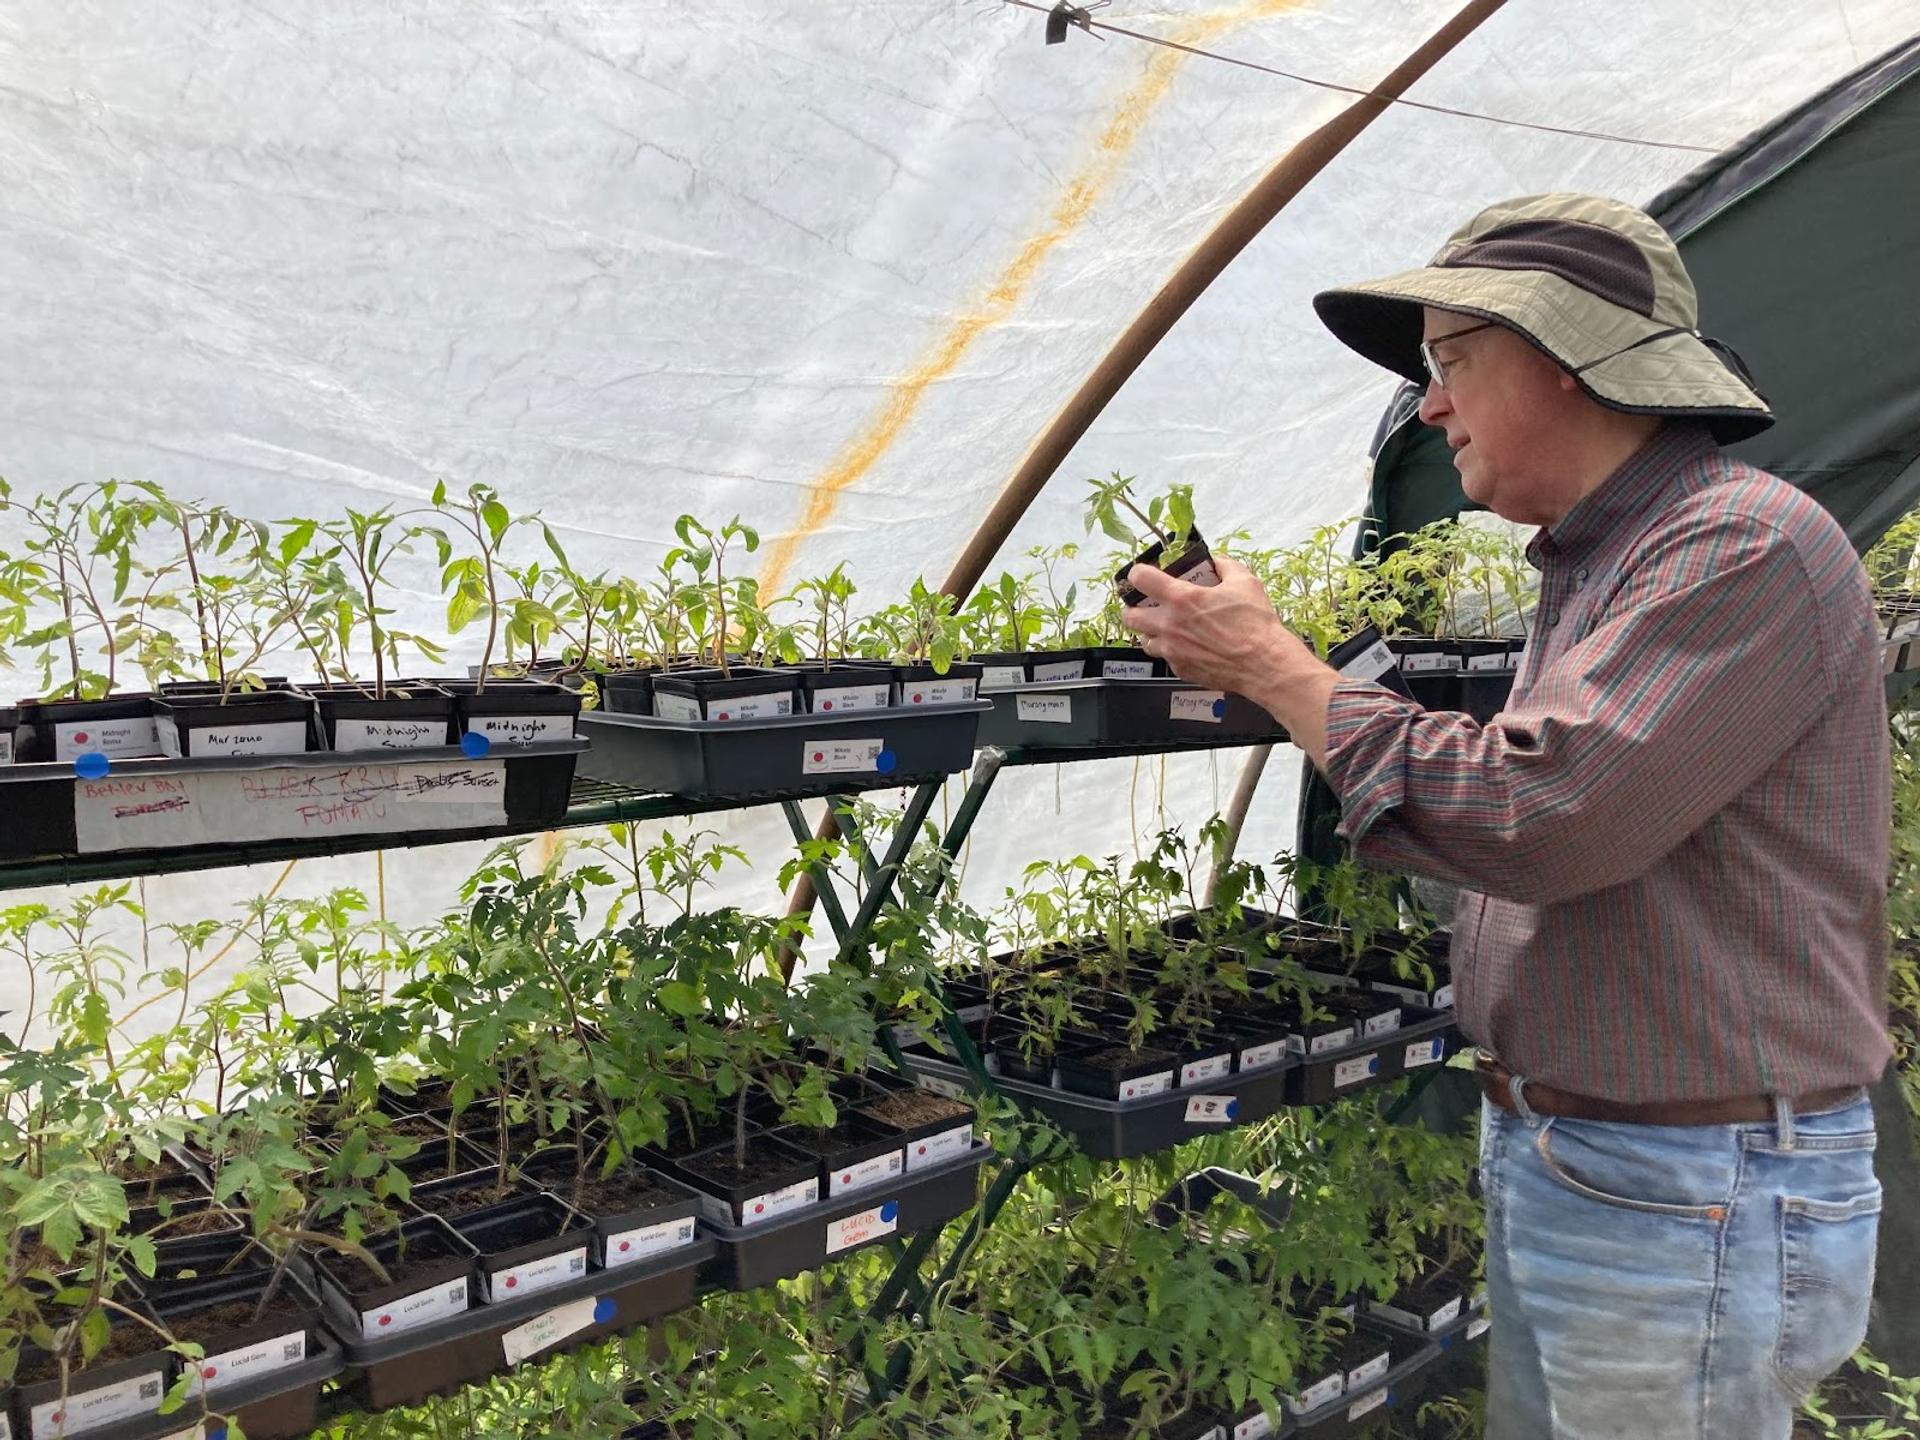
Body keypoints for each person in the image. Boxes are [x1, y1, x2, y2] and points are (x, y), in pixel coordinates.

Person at [1122, 193, 1890, 1439]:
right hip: (1594, 1164)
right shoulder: (1602, 563)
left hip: (1689, 1185)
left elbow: (1540, 817)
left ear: (1577, 357)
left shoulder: (1740, 546)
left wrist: (1275, 667)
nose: (1430, 405)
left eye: (1453, 361)